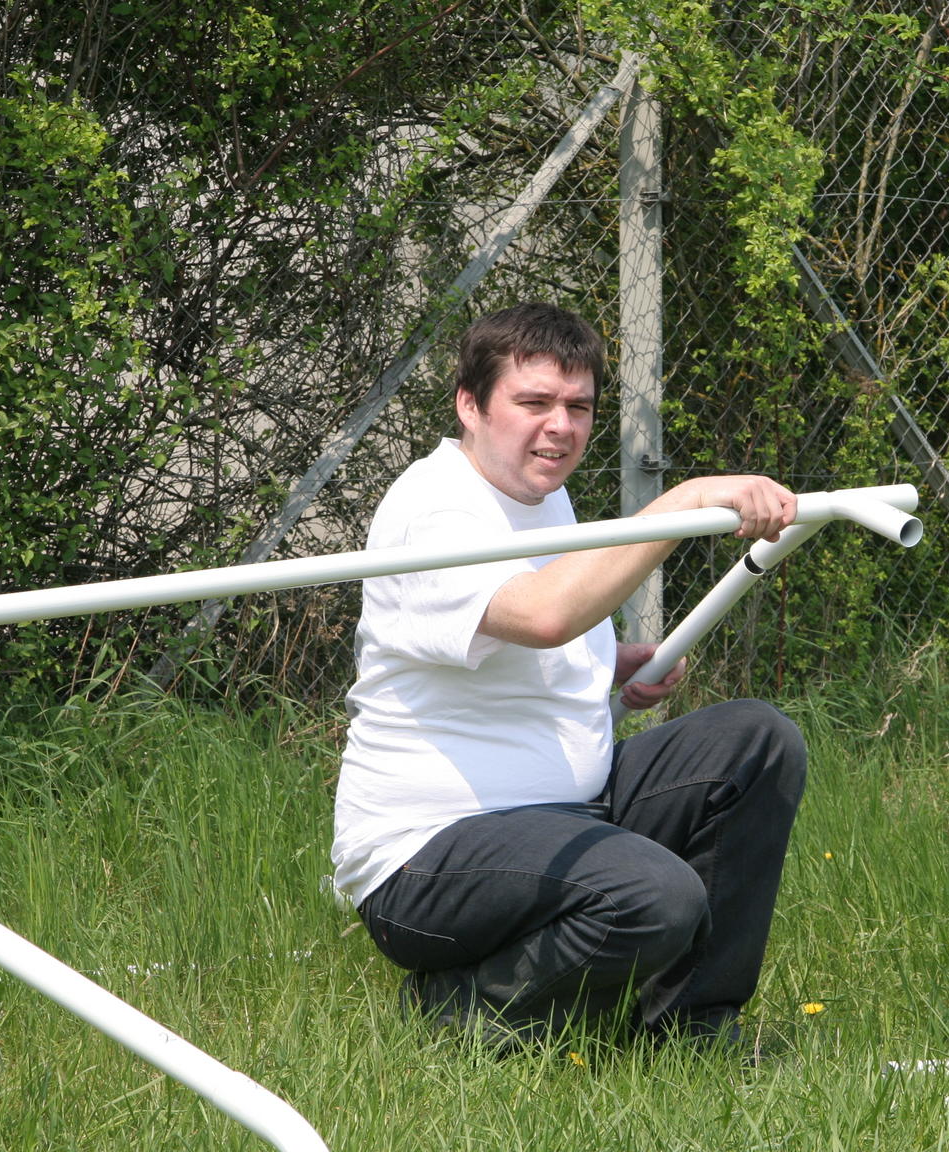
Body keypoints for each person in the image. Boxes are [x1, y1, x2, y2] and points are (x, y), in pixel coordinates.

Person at [330, 301, 808, 1050]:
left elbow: (522, 638)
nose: (560, 426)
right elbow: (545, 614)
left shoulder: (542, 493)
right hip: (427, 861)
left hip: (568, 812)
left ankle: (692, 1027)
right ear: (469, 405)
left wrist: (610, 665)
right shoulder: (433, 510)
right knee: (655, 895)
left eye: (578, 407)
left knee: (757, 740)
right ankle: (460, 1012)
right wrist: (685, 501)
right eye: (534, 403)